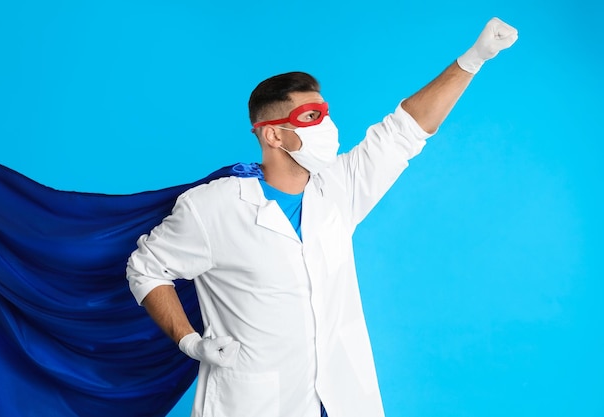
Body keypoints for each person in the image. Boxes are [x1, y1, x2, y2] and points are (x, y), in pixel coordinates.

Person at [126, 17, 518, 417]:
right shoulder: (213, 208)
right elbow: (146, 268)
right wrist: (190, 341)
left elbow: (405, 131)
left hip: (342, 400)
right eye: (311, 118)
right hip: (255, 403)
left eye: (325, 114)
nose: (327, 126)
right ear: (272, 135)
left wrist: (473, 59)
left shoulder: (337, 189)